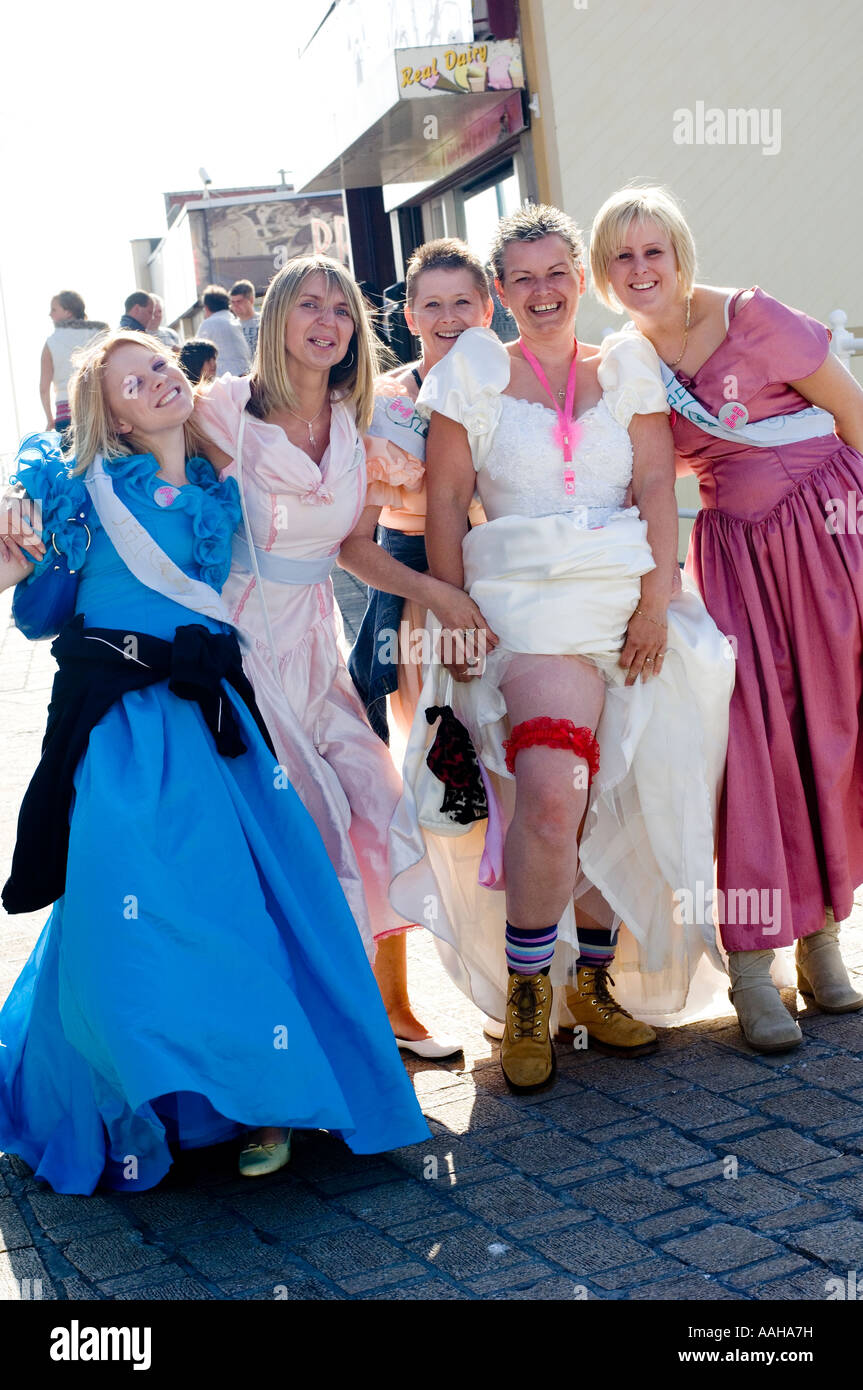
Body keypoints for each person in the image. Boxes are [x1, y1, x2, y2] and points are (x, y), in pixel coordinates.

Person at [0, 329, 430, 1194]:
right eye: (131, 381)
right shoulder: (75, 484)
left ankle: (261, 1098)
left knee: (247, 901)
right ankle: (145, 1092)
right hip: (123, 725)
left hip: (216, 718)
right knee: (123, 902)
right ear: (111, 416)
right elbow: (37, 606)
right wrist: (17, 534)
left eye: (159, 364)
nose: (156, 380)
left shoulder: (216, 483)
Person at [388, 204, 734, 1092]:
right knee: (551, 794)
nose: (542, 293)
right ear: (499, 292)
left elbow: (657, 486)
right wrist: (456, 612)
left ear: (581, 280)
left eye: (557, 274)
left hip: (626, 605)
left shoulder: (624, 365)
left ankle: (595, 984)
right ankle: (527, 996)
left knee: (617, 799)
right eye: (522, 278)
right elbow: (444, 503)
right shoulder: (472, 373)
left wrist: (658, 602)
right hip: (526, 611)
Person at [590, 184, 863, 1053]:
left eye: (652, 252)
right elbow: (641, 479)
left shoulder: (755, 315)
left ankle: (822, 940)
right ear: (603, 273)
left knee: (829, 732)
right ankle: (753, 963)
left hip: (828, 537)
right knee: (751, 742)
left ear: (680, 255)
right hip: (736, 556)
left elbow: (852, 415)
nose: (640, 270)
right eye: (621, 257)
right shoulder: (627, 360)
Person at [193, 255, 478, 1058]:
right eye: (308, 306)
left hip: (315, 641)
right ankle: (305, 1026)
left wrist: (438, 595)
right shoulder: (221, 410)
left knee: (376, 800)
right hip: (239, 646)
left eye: (342, 309)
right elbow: (121, 432)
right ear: (276, 319)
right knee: (304, 819)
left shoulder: (360, 425)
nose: (327, 321)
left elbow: (355, 547)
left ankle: (391, 1007)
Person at [345, 237, 494, 751]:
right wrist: (438, 597)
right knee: (439, 761)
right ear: (410, 318)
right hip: (419, 601)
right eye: (432, 304)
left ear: (488, 309)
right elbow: (353, 546)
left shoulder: (517, 389)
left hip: (511, 583)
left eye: (462, 303)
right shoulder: (386, 405)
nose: (448, 317)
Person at [39, 292, 108, 438]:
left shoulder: (51, 343)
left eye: (54, 309)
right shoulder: (101, 333)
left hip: (66, 414)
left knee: (73, 460)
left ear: (68, 312)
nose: (50, 314)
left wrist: (50, 419)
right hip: (100, 407)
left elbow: (44, 389)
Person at [196, 285, 251, 376]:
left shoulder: (208, 323)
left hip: (226, 378)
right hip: (246, 373)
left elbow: (195, 352)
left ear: (206, 307)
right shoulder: (234, 321)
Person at [230, 279, 261, 359]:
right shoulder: (231, 326)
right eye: (232, 302)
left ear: (251, 300)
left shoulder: (264, 322)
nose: (235, 306)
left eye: (239, 301)